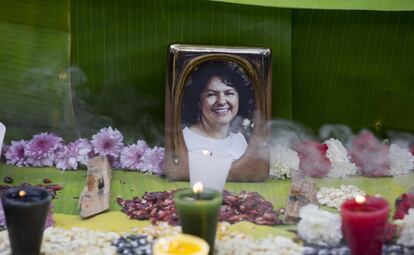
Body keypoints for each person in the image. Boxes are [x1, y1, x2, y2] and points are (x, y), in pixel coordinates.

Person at [181, 60, 254, 160]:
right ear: (198, 102)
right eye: (211, 94)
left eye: (229, 93)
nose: (221, 101)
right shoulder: (185, 139)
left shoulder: (239, 141)